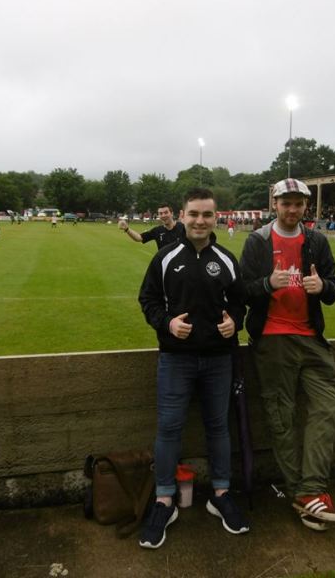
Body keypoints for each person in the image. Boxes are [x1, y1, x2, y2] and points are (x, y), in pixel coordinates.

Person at [137, 187, 249, 549]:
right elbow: (148, 300)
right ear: (182, 216)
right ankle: (164, 500)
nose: (200, 221)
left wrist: (235, 322)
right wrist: (167, 324)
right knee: (169, 427)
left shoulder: (227, 259)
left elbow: (239, 303)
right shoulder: (166, 257)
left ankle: (220, 494)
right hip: (176, 358)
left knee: (218, 426)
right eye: (194, 214)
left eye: (207, 215)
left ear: (217, 218)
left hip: (219, 359)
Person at [239, 178, 335, 532]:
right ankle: (308, 495)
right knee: (281, 417)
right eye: (286, 202)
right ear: (275, 203)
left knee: (328, 405)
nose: (292, 208)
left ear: (305, 206)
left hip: (311, 338)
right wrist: (268, 284)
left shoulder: (317, 240)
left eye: (298, 203)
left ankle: (308, 491)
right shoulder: (257, 241)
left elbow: (334, 286)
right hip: (272, 339)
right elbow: (242, 290)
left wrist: (323, 287)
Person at [119, 204, 185, 250]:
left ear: (172, 213)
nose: (163, 215)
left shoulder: (182, 227)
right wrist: (127, 229)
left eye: (166, 212)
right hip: (164, 268)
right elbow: (139, 238)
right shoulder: (157, 231)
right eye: (160, 213)